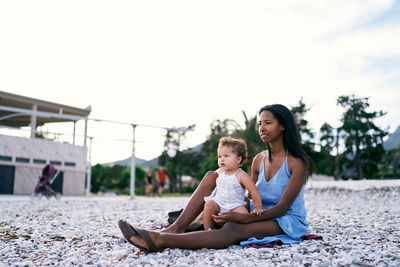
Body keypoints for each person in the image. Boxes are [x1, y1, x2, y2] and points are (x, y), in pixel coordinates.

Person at [118, 104, 314, 252]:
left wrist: (242, 219)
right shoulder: (258, 160)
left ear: (283, 127)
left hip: (285, 219)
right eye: (260, 123)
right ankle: (176, 228)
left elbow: (283, 207)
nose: (262, 128)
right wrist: (225, 204)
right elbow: (246, 196)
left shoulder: (298, 162)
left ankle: (160, 240)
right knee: (213, 175)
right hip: (256, 211)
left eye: (268, 123)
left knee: (232, 229)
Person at [203, 136, 262, 230]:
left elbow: (253, 190)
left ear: (238, 159)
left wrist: (257, 206)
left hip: (235, 205)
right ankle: (208, 230)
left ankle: (241, 231)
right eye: (219, 156)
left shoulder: (241, 175)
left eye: (226, 156)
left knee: (243, 214)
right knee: (209, 204)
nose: (222, 159)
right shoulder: (220, 171)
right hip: (219, 203)